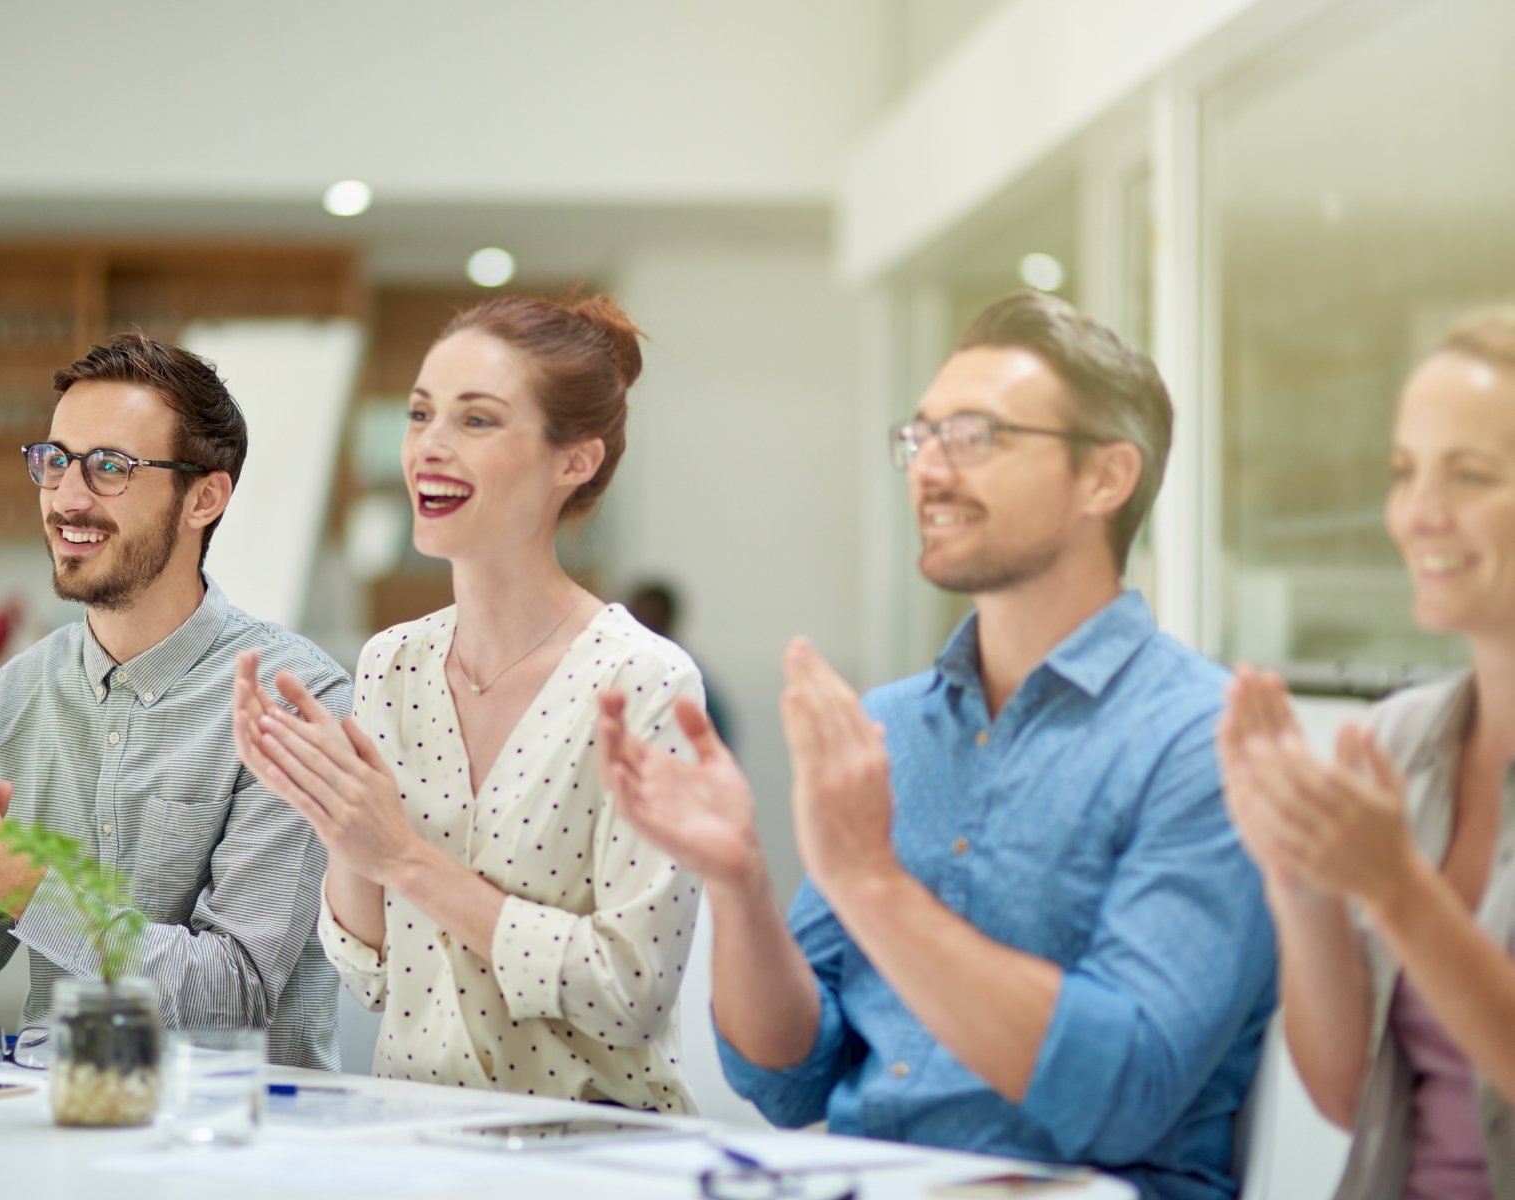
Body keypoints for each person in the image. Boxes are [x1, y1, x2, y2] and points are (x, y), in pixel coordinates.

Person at [600, 291, 1276, 1199]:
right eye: (921, 440)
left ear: (1105, 479)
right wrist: (741, 883)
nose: (929, 471)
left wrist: (872, 885)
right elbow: (786, 1078)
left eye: (977, 437)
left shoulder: (1206, 739)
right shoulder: (893, 726)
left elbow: (1124, 1094)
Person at [232, 294, 704, 1109]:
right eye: (421, 415)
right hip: (417, 1141)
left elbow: (631, 994)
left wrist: (403, 859)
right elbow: (369, 977)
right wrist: (340, 827)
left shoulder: (644, 683)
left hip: (597, 1157)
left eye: (477, 421)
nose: (430, 448)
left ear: (574, 461)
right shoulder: (392, 664)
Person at [0, 333, 351, 1069]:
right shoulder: (13, 700)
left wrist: (13, 881)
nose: (67, 497)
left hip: (241, 1146)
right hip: (52, 1123)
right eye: (54, 461)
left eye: (110, 468)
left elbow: (234, 996)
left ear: (204, 497)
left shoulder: (292, 700)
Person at [1219, 310, 1515, 1199]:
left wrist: (1395, 889)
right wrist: (1298, 880)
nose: (1420, 513)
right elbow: (1349, 1095)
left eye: (1471, 475)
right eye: (1404, 473)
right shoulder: (1401, 742)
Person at [627, 579, 734, 749]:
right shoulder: (623, 671)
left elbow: (718, 742)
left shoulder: (687, 676)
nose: (644, 621)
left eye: (649, 615)